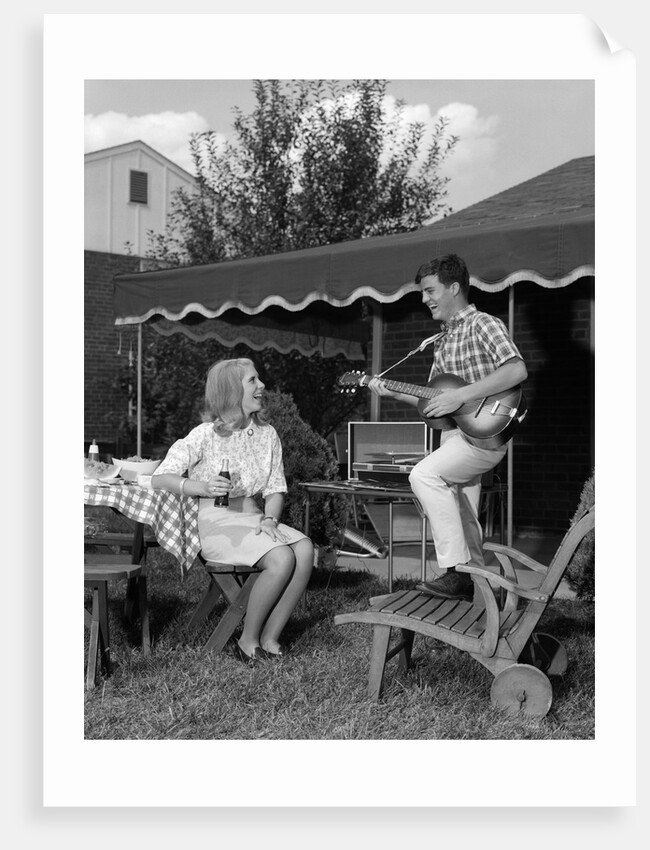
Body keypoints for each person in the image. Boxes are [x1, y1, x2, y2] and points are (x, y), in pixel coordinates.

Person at [369, 254, 527, 600]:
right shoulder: (441, 340)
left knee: (423, 476)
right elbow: (435, 404)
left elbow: (516, 370)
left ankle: (455, 572)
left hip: (483, 437)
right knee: (465, 518)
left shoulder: (484, 324)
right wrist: (393, 391)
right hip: (454, 436)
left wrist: (463, 396)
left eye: (430, 290)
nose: (424, 299)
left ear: (454, 287)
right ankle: (488, 592)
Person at [152, 358, 313, 663]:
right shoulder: (203, 435)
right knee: (282, 557)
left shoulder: (268, 435)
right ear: (230, 391)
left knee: (304, 548)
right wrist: (200, 487)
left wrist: (270, 519)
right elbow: (162, 476)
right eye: (253, 381)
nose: (262, 386)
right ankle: (247, 640)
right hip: (216, 522)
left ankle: (270, 637)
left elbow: (275, 488)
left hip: (254, 516)